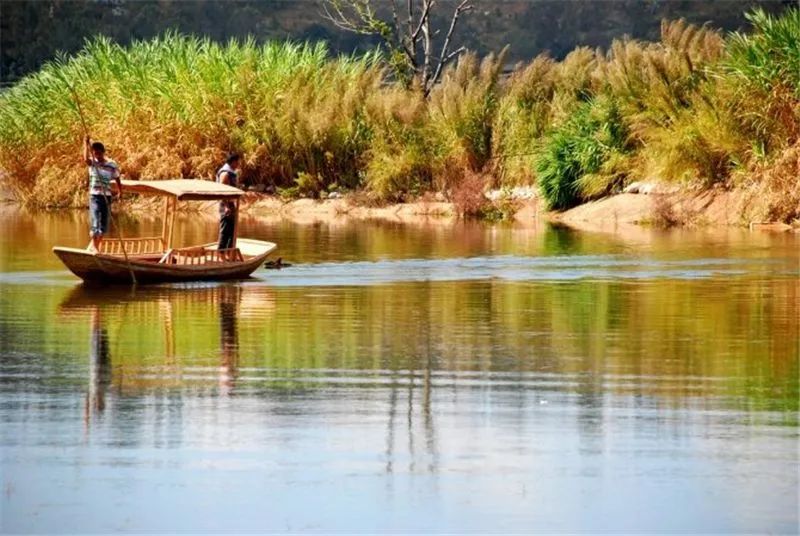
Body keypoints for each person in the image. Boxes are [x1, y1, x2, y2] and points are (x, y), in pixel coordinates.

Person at [84, 136, 122, 252]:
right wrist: (85, 144)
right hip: (95, 196)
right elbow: (85, 159)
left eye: (99, 154)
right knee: (95, 221)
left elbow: (117, 178)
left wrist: (120, 191)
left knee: (103, 224)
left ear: (103, 153)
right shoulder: (93, 163)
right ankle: (95, 248)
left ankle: (95, 246)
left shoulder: (111, 164)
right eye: (95, 154)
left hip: (107, 196)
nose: (97, 156)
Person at [216, 153, 241, 253]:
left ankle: (229, 253)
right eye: (237, 162)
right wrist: (226, 206)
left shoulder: (231, 172)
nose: (238, 164)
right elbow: (222, 191)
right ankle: (221, 253)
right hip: (225, 204)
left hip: (230, 204)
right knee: (225, 230)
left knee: (231, 230)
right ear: (233, 162)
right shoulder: (225, 173)